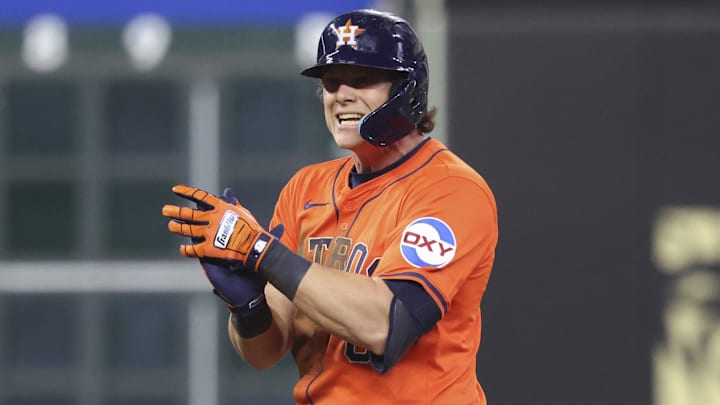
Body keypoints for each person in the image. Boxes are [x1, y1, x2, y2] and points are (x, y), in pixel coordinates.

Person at [162, 8, 498, 404]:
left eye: (363, 80)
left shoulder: (450, 190)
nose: (342, 95)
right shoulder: (306, 188)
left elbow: (386, 324)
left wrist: (259, 251)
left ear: (407, 89)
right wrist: (247, 304)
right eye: (332, 82)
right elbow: (264, 352)